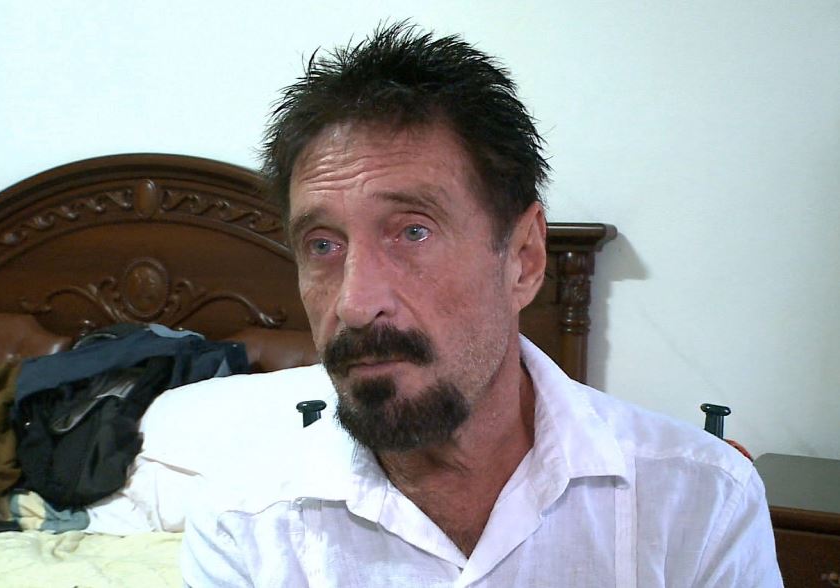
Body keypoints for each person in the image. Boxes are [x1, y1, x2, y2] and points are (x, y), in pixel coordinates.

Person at [182, 22, 782, 586]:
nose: (356, 304)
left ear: (523, 259)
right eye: (322, 245)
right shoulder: (244, 522)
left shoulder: (701, 502)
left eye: (413, 231)